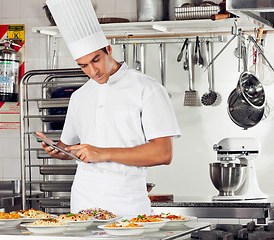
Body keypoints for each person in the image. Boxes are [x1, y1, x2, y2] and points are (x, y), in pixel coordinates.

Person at [38, 0, 181, 217]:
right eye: (83, 65)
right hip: (83, 205)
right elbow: (70, 149)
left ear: (108, 50)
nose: (93, 71)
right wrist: (59, 151)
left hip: (128, 206)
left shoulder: (148, 89)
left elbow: (163, 153)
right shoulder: (79, 97)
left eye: (96, 60)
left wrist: (101, 153)